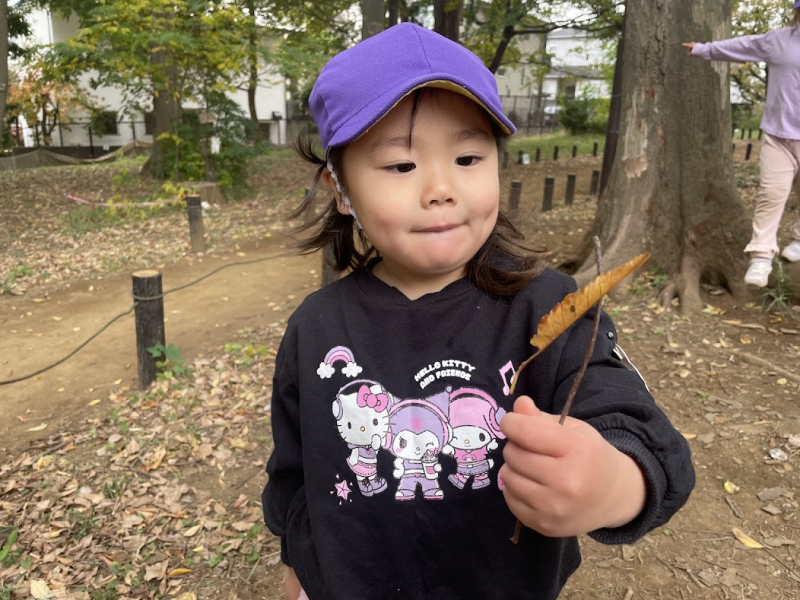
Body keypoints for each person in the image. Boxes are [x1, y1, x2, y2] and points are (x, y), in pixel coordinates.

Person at [263, 22, 694, 600]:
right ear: (341, 190)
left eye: (468, 158)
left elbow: (643, 434)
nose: (441, 188)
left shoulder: (550, 308)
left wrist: (614, 482)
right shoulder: (315, 326)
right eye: (401, 166)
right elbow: (295, 472)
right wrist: (298, 566)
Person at [684, 2, 800, 287]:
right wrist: (705, 49)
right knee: (771, 194)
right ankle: (761, 256)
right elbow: (744, 46)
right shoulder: (779, 40)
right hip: (779, 137)